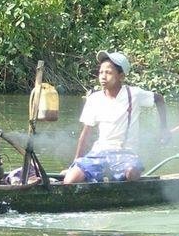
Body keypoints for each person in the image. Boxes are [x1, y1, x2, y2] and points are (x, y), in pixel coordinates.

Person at [63, 51, 169, 183]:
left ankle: (119, 179)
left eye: (108, 72)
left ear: (121, 76)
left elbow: (159, 99)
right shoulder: (94, 99)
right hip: (99, 153)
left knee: (131, 173)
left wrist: (164, 128)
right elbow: (85, 134)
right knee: (70, 181)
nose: (103, 76)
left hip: (126, 154)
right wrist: (76, 162)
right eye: (101, 72)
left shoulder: (133, 94)